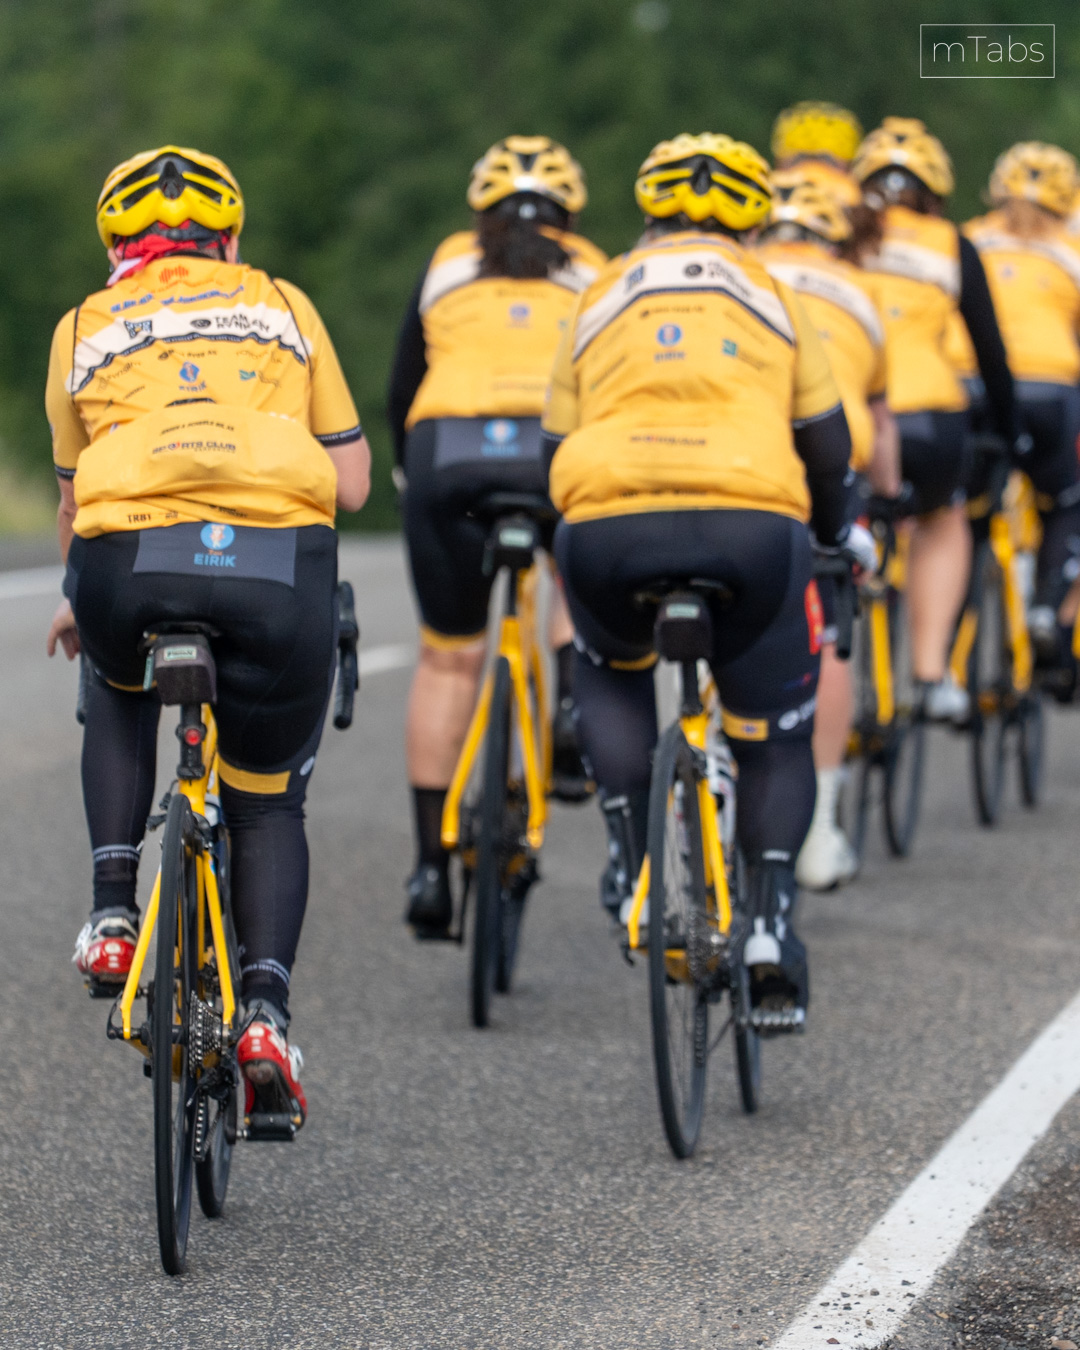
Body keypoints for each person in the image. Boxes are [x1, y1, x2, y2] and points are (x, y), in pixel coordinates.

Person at [46, 146, 371, 1129]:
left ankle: (113, 910)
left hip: (130, 561)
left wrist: (77, 601)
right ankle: (264, 1012)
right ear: (228, 237)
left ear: (116, 244)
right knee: (268, 804)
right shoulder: (283, 304)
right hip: (274, 566)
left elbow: (76, 503)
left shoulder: (83, 323)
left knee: (115, 677)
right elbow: (354, 484)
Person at [542, 133, 875, 1029]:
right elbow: (828, 444)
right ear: (753, 220)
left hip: (612, 518)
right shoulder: (772, 289)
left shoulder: (600, 289)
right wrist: (835, 533)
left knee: (607, 668)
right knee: (773, 738)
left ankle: (630, 862)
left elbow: (553, 443)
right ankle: (766, 928)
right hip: (751, 518)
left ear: (649, 214)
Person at [387, 135, 606, 938]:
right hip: (552, 446)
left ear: (480, 212)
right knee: (576, 561)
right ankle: (573, 712)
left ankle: (428, 867)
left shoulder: (448, 260)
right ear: (568, 215)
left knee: (448, 657)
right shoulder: (593, 267)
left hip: (447, 450)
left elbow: (403, 383)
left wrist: (411, 472)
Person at [757, 170, 900, 889]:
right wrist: (891, 499)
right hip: (828, 465)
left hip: (741, 458)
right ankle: (816, 829)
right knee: (827, 628)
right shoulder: (858, 290)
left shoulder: (740, 274)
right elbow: (878, 419)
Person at [852, 118, 1017, 721]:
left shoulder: (840, 231)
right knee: (943, 519)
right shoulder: (950, 242)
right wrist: (1009, 429)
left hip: (855, 412)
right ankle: (929, 672)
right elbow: (990, 351)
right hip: (929, 415)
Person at [961, 143, 1080, 690]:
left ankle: (948, 660)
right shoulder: (1071, 250)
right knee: (1068, 499)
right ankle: (1049, 605)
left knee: (964, 517)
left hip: (975, 386)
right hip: (1052, 389)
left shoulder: (970, 239)